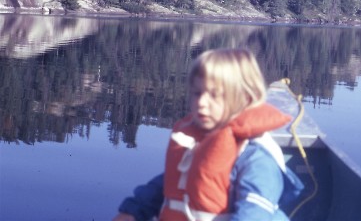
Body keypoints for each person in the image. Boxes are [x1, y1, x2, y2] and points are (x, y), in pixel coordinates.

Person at [113, 48, 303, 221]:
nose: (202, 102)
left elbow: (254, 213)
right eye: (197, 93)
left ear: (246, 98)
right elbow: (167, 185)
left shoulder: (255, 157)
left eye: (214, 95)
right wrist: (132, 211)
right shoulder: (197, 141)